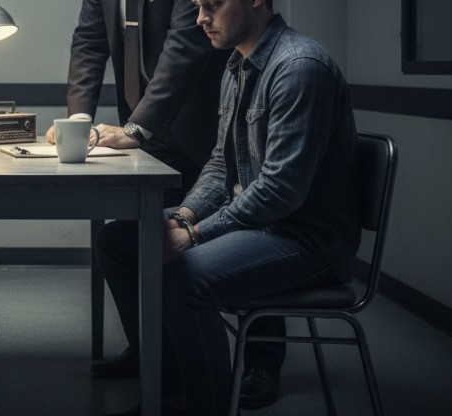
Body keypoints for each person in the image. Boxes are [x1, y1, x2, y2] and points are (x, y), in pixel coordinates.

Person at [96, 0, 362, 414]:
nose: (201, 17)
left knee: (186, 278)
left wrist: (195, 233)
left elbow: (280, 191)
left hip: (305, 239)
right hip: (261, 227)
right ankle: (170, 387)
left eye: (213, 5)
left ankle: (206, 406)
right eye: (199, 5)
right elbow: (222, 164)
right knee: (117, 240)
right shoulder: (237, 65)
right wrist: (182, 216)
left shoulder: (299, 67)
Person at [51, 0, 283, 407]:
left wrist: (137, 128)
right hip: (147, 128)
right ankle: (157, 357)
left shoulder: (294, 65)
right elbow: (88, 43)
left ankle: (261, 361)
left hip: (198, 122)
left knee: (239, 234)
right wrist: (78, 125)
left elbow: (185, 45)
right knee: (135, 239)